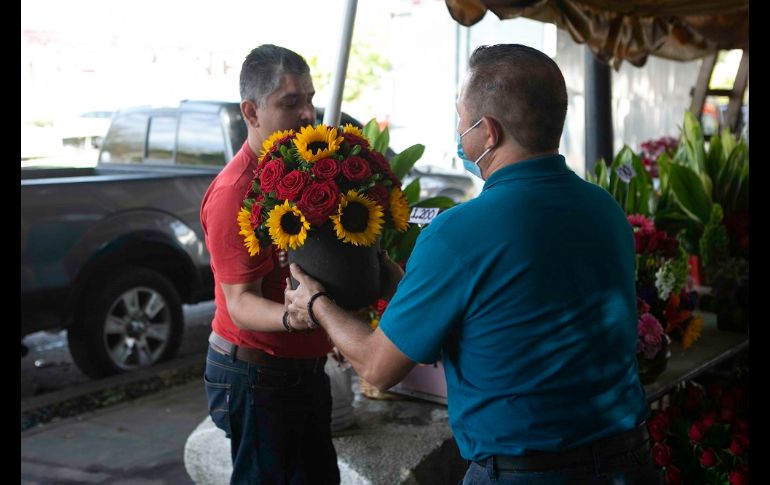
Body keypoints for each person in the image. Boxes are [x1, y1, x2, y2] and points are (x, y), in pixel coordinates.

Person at [286, 44, 661, 484]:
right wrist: (406, 285)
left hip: (527, 474)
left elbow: (377, 368)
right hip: (629, 462)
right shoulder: (606, 210)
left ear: (488, 132)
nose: (458, 130)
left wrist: (316, 303)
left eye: (461, 118)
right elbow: (509, 314)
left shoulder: (457, 233)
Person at [200, 44, 340, 484]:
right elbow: (240, 302)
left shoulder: (302, 169)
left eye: (310, 99)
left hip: (303, 367)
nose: (308, 114)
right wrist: (302, 316)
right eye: (290, 102)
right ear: (251, 112)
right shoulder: (234, 191)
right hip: (255, 372)